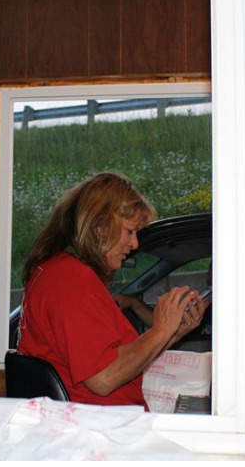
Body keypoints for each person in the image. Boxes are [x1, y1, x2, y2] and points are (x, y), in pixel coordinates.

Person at [18, 172, 206, 408]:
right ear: (100, 227)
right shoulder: (70, 279)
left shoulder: (60, 273)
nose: (135, 244)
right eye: (129, 231)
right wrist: (160, 330)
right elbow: (104, 378)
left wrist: (172, 332)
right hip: (98, 431)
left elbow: (119, 361)